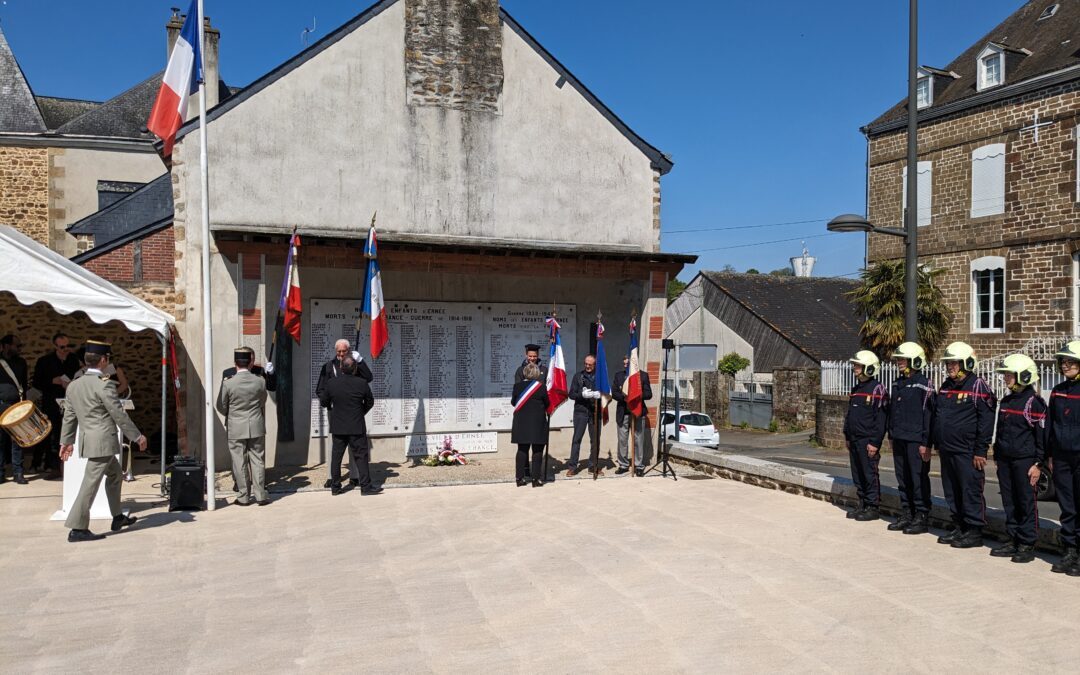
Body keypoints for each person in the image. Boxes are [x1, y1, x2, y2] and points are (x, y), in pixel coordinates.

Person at [58, 340, 146, 542]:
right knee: (90, 485)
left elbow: (69, 416)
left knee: (115, 474)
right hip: (103, 442)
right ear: (104, 360)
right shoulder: (104, 385)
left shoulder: (74, 386)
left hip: (90, 440)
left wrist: (66, 441)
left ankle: (117, 517)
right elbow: (119, 414)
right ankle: (77, 528)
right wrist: (137, 436)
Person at [932, 341, 996, 549]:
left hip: (968, 451)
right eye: (948, 363)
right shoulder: (946, 386)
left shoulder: (978, 385)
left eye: (955, 363)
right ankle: (959, 526)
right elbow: (938, 415)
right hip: (948, 449)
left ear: (967, 363)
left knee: (970, 490)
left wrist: (980, 451)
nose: (950, 367)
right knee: (952, 490)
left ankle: (974, 531)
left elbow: (986, 422)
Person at [990, 354, 1046, 564]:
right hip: (1005, 459)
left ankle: (1027, 543)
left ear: (1023, 375)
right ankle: (1013, 538)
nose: (1005, 377)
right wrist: (997, 454)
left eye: (1009, 374)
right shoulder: (1006, 400)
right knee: (1009, 501)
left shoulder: (1034, 402)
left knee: (1025, 502)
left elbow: (1041, 436)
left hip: (1025, 460)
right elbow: (1001, 429)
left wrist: (1038, 463)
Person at [886, 342, 934, 534]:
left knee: (917, 478)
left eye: (903, 359)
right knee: (903, 478)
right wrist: (891, 433)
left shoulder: (924, 385)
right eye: (898, 359)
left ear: (914, 360)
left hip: (916, 440)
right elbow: (893, 411)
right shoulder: (898, 383)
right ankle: (907, 512)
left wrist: (926, 443)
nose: (899, 362)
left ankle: (921, 516)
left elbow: (929, 416)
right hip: (899, 437)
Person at [318, 356, 382, 496]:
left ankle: (335, 487)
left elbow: (323, 401)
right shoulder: (361, 383)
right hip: (356, 425)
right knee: (361, 457)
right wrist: (360, 412)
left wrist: (334, 410)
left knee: (336, 457)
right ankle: (365, 487)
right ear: (355, 369)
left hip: (338, 426)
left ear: (341, 368)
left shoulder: (331, 383)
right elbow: (370, 401)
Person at [216, 348, 270, 506]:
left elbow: (221, 406)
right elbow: (262, 401)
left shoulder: (229, 382)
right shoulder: (260, 381)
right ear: (249, 362)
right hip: (256, 424)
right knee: (258, 460)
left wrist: (232, 413)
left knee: (239, 462)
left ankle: (243, 496)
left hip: (236, 426)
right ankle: (260, 495)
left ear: (235, 363)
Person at [843, 351, 889, 522]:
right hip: (854, 439)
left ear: (868, 368)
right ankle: (862, 503)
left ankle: (872, 506)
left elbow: (881, 419)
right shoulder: (856, 389)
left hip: (867, 440)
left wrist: (875, 442)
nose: (855, 368)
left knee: (869, 473)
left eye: (858, 365)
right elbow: (850, 414)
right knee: (857, 473)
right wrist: (847, 435)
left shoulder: (878, 389)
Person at [1048, 341, 1080, 575]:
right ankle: (1070, 550)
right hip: (1061, 458)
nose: (1065, 365)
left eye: (1070, 362)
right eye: (1063, 362)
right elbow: (1049, 425)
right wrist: (1048, 455)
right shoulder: (1058, 390)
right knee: (1067, 506)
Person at [31, 332, 80, 475]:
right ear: (55, 346)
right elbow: (36, 383)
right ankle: (49, 464)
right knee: (50, 433)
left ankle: (63, 464)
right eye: (62, 347)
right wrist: (53, 381)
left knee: (65, 432)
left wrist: (71, 384)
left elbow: (77, 377)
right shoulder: (45, 361)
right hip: (51, 400)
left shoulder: (73, 359)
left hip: (69, 400)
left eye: (67, 346)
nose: (65, 349)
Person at [612, 354, 653, 477]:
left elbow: (648, 394)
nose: (625, 365)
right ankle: (623, 465)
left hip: (637, 411)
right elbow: (614, 393)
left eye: (627, 363)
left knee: (638, 439)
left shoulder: (643, 376)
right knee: (622, 440)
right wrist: (625, 398)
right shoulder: (619, 376)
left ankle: (639, 465)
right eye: (624, 363)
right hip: (623, 412)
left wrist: (635, 396)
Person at [511, 363, 549, 487]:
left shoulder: (517, 386)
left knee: (522, 449)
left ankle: (519, 479)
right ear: (537, 374)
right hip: (537, 423)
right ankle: (535, 479)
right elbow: (547, 404)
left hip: (521, 423)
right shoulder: (541, 387)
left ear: (524, 373)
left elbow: (513, 402)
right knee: (537, 451)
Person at [0, 334, 29, 484]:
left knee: (17, 440)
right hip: (0, 404)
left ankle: (18, 473)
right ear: (5, 346)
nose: (19, 349)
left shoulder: (21, 362)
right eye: (16, 346)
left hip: (16, 405)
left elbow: (24, 384)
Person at [567, 354, 602, 477]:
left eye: (590, 364)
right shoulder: (578, 376)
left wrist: (600, 395)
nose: (587, 366)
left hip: (595, 412)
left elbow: (606, 393)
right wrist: (582, 395)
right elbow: (571, 394)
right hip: (581, 412)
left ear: (595, 364)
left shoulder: (600, 377)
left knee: (595, 441)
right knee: (577, 439)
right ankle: (572, 466)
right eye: (586, 364)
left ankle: (593, 466)